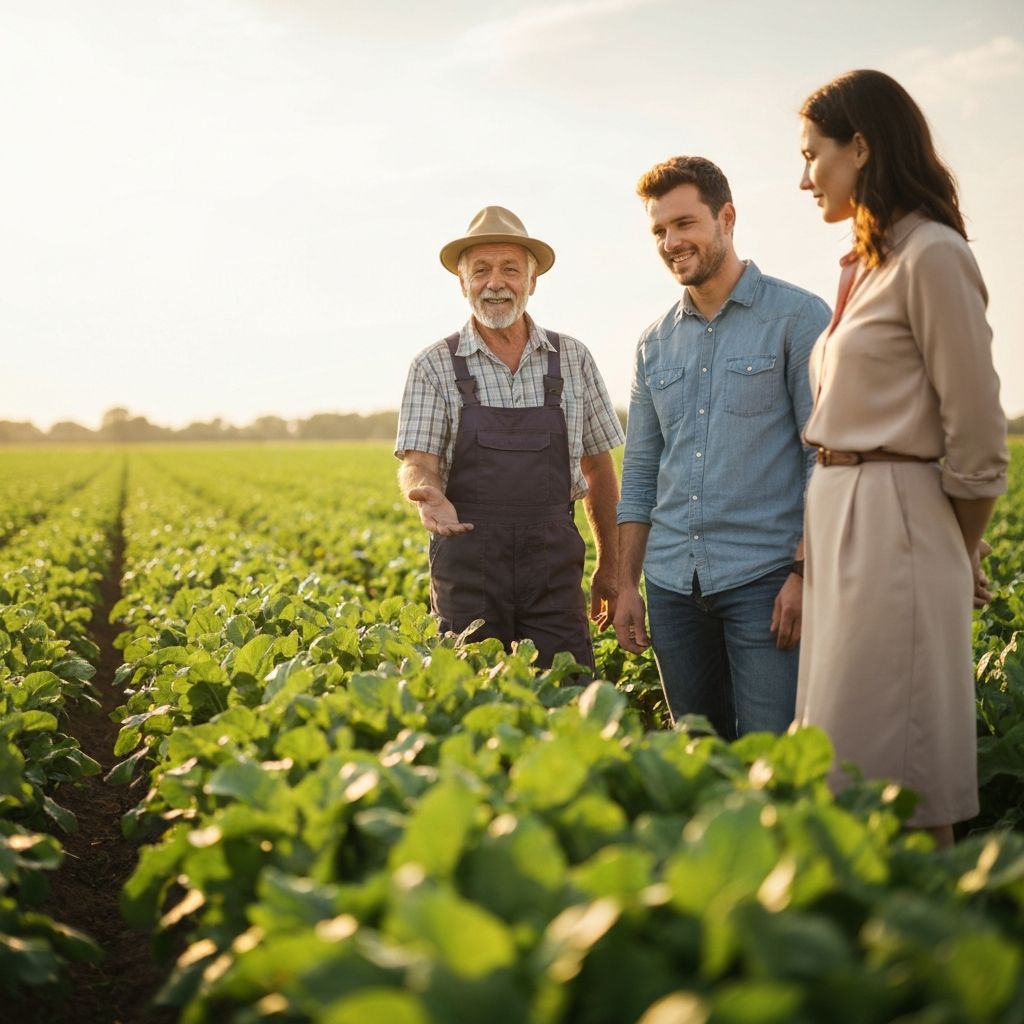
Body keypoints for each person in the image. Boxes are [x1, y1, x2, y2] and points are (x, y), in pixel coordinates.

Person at [795, 69, 1009, 846]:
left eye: (812, 154)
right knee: (846, 757)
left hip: (895, 523)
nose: (804, 178)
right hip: (842, 521)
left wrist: (954, 543)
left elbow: (978, 433)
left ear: (860, 147)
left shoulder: (933, 255)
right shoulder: (866, 263)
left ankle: (933, 915)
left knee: (901, 771)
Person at [614, 157, 831, 739]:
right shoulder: (653, 344)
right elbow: (640, 473)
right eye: (659, 230)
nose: (671, 242)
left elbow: (825, 457)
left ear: (727, 218)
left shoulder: (798, 318)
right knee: (696, 759)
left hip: (767, 581)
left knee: (771, 756)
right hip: (671, 587)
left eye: (684, 223)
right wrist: (627, 583)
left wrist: (806, 573)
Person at [395, 206, 625, 671]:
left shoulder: (573, 359)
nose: (495, 283)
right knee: (471, 695)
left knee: (568, 691)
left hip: (553, 571)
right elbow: (418, 462)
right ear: (462, 283)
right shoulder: (433, 365)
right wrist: (427, 493)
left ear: (532, 280)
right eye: (480, 270)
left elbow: (599, 470)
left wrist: (611, 565)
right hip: (469, 570)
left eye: (510, 269)